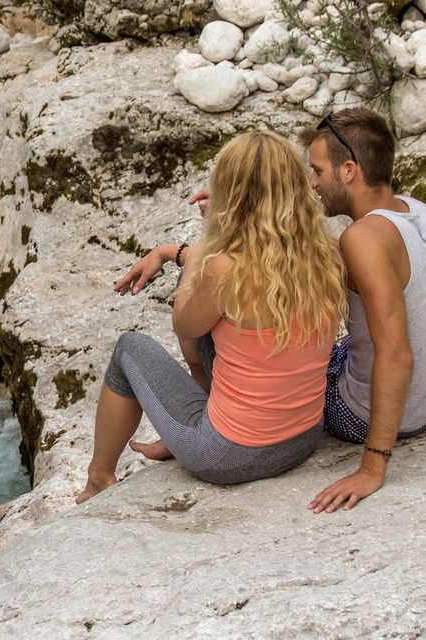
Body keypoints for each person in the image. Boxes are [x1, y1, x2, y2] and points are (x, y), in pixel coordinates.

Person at [115, 108, 426, 513]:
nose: (312, 183)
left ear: (349, 170)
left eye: (317, 171)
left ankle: (203, 425)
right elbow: (293, 250)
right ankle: (199, 423)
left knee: (228, 302)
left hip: (363, 415)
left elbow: (397, 354)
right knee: (269, 309)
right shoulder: (413, 211)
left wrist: (372, 468)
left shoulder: (362, 240)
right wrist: (249, 207)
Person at [74, 131, 345, 503]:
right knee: (218, 330)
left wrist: (201, 249)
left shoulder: (224, 267)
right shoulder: (326, 254)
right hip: (302, 438)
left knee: (128, 349)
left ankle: (99, 478)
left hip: (228, 455)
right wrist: (174, 252)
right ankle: (180, 434)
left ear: (229, 197)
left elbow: (183, 322)